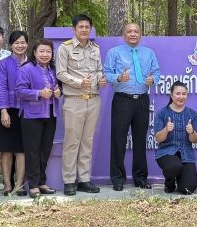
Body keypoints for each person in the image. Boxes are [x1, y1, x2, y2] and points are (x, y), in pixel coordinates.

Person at [104, 23, 160, 191]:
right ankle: (118, 179)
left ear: (140, 34)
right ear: (124, 35)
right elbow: (107, 73)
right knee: (118, 140)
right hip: (122, 100)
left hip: (142, 100)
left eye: (136, 31)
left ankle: (140, 178)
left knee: (140, 140)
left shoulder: (149, 53)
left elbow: (157, 72)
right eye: (129, 31)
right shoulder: (114, 52)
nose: (133, 34)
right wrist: (118, 78)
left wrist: (153, 80)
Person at [56, 14, 105, 196]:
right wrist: (79, 83)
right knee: (72, 142)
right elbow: (60, 73)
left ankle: (84, 179)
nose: (84, 30)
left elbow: (99, 70)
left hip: (93, 99)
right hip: (74, 100)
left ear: (90, 29)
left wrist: (101, 79)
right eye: (81, 27)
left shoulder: (95, 48)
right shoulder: (65, 48)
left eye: (87, 27)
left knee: (87, 141)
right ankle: (69, 181)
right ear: (74, 29)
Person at [16, 39, 61, 198]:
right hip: (31, 115)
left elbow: (58, 88)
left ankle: (41, 182)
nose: (45, 54)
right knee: (32, 151)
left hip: (50, 114)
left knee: (45, 150)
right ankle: (33, 185)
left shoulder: (53, 69)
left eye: (48, 51)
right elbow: (19, 91)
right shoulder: (26, 69)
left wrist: (59, 92)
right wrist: (39, 93)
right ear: (34, 52)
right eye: (41, 51)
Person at [0, 30, 29, 196]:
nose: (20, 45)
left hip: (27, 111)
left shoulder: (32, 63)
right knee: (7, 148)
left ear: (27, 44)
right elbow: (0, 87)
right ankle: (7, 184)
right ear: (10, 45)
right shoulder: (4, 63)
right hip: (8, 110)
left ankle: (20, 185)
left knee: (22, 149)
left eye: (23, 42)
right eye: (16, 43)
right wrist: (3, 111)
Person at [153, 82, 197, 195]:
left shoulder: (192, 114)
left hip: (186, 155)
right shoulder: (161, 113)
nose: (181, 97)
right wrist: (166, 130)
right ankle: (169, 183)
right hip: (166, 153)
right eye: (178, 93)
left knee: (188, 189)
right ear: (171, 95)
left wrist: (192, 132)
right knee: (174, 166)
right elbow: (158, 139)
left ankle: (181, 180)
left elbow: (195, 140)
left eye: (184, 94)